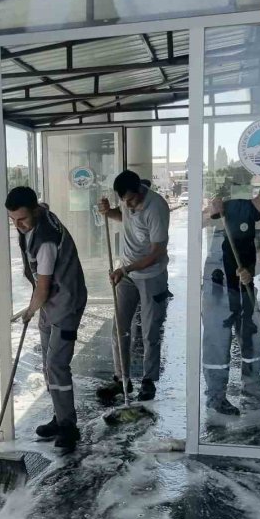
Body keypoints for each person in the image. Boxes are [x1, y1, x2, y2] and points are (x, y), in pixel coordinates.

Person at [6, 186, 88, 452]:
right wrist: (37, 308)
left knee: (57, 365)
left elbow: (42, 287)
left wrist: (29, 311)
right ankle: (60, 415)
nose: (18, 225)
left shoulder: (46, 240)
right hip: (51, 303)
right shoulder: (39, 214)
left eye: (22, 219)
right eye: (13, 220)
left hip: (65, 303)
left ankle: (68, 427)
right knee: (48, 365)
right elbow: (42, 288)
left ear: (34, 211)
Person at [202, 178, 260, 413]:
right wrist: (216, 206)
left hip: (243, 281)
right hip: (221, 281)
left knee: (251, 333)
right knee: (219, 339)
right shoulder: (239, 207)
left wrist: (249, 271)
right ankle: (216, 395)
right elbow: (212, 216)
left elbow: (257, 251)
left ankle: (252, 385)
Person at [96, 170, 171, 403]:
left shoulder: (156, 207)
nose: (127, 204)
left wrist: (126, 269)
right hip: (126, 274)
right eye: (123, 200)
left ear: (140, 190)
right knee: (119, 327)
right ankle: (122, 380)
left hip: (151, 275)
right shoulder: (127, 204)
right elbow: (124, 216)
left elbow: (156, 253)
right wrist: (109, 212)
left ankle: (148, 381)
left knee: (149, 332)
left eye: (130, 199)